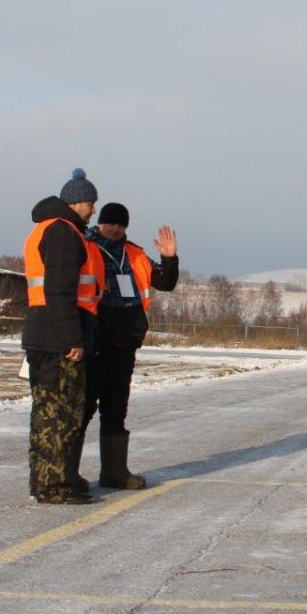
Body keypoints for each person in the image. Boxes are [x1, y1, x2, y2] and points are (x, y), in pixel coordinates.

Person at [77, 202, 179, 490]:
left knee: (116, 407)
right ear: (100, 223)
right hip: (94, 339)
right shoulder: (85, 246)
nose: (115, 229)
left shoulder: (135, 253)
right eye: (110, 223)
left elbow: (165, 282)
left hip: (125, 342)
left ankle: (114, 472)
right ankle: (69, 472)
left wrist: (169, 258)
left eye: (121, 225)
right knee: (83, 407)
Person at [21, 168, 104, 504]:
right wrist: (72, 338)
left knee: (48, 413)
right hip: (58, 338)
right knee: (59, 416)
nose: (94, 210)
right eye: (91, 203)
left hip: (45, 332)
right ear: (76, 202)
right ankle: (53, 487)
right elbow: (58, 290)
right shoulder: (62, 233)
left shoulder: (50, 229)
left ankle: (49, 481)